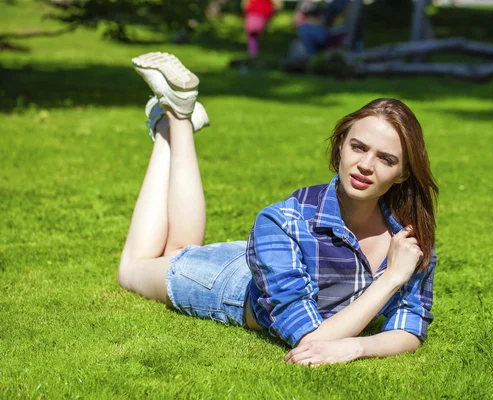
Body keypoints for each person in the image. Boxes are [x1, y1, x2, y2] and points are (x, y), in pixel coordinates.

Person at [120, 51, 438, 366]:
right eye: (358, 147)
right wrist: (390, 279)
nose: (366, 165)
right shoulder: (284, 221)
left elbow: (410, 326)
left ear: (403, 174)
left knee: (179, 247)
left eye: (386, 159)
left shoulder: (407, 238)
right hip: (224, 281)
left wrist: (354, 348)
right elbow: (310, 340)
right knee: (134, 268)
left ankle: (172, 119)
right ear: (341, 145)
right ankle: (172, 123)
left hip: (275, 262)